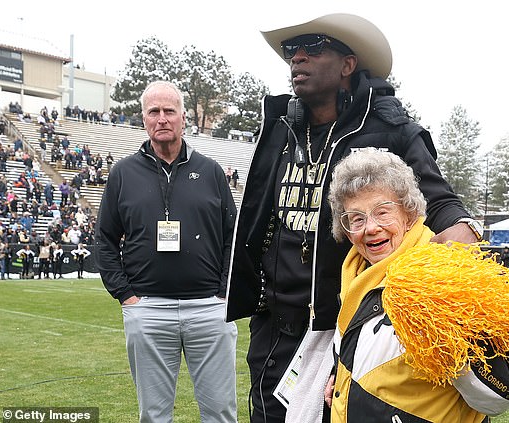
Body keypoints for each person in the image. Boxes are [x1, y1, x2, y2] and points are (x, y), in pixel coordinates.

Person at [224, 13, 483, 423]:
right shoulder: (279, 128)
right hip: (275, 324)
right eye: (292, 50)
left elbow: (441, 204)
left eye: (313, 47)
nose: (298, 58)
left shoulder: (390, 128)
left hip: (343, 325)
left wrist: (463, 240)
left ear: (348, 64)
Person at [319, 149, 509, 422]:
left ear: (409, 214)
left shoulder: (442, 274)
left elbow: (496, 398)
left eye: (382, 212)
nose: (371, 227)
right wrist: (340, 379)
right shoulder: (356, 275)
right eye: (357, 218)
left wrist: (450, 344)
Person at [95, 80, 238, 423]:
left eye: (169, 111)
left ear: (183, 118)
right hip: (148, 310)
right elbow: (105, 239)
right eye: (153, 111)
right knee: (154, 415)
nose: (162, 118)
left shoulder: (211, 171)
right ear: (143, 119)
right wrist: (126, 296)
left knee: (220, 412)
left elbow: (233, 237)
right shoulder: (123, 173)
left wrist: (222, 293)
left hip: (209, 309)